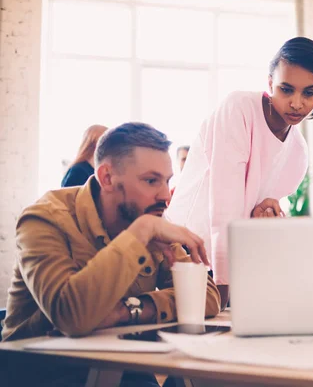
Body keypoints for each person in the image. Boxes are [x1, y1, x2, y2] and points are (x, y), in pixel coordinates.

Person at [1, 123, 221, 386]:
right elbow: (71, 316)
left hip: (124, 364)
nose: (165, 195)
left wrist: (130, 309)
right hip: (43, 372)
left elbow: (206, 296)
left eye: (167, 181)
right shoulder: (45, 218)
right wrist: (141, 232)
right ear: (106, 178)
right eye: (151, 181)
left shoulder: (147, 217)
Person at [166, 37, 313, 306]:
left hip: (232, 270)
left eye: (309, 93)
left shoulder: (298, 153)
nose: (296, 103)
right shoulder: (239, 109)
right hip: (183, 250)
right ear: (270, 84)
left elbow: (255, 218)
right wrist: (223, 292)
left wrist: (266, 214)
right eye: (286, 89)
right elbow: (225, 208)